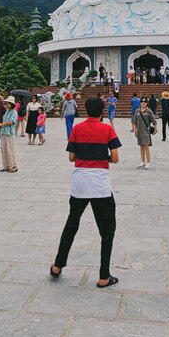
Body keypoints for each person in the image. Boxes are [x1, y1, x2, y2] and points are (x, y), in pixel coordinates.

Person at [52, 96, 121, 287]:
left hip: (79, 182)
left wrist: (87, 156)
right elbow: (115, 158)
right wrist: (100, 157)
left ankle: (57, 265)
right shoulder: (107, 129)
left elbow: (71, 157)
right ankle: (104, 275)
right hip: (99, 184)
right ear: (102, 111)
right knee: (107, 230)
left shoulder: (77, 129)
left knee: (72, 224)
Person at [131, 99, 155, 169]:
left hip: (146, 131)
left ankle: (148, 162)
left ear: (147, 103)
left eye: (144, 102)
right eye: (142, 102)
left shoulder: (149, 111)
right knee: (141, 146)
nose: (143, 103)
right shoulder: (137, 111)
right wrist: (135, 130)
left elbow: (153, 120)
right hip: (139, 130)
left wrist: (156, 129)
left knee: (146, 146)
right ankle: (143, 162)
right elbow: (134, 121)